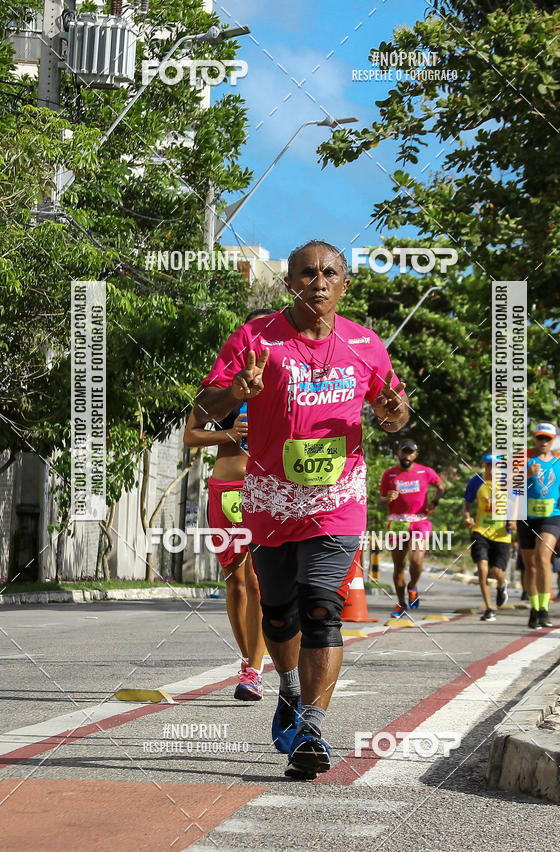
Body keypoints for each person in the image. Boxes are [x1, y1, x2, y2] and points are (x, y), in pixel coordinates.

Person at [194, 239, 408, 779]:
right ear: (289, 283)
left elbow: (395, 412)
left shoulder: (365, 343)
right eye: (307, 273)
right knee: (279, 612)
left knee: (320, 606)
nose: (318, 281)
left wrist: (391, 412)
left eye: (329, 273)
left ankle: (311, 728)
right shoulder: (255, 336)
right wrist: (235, 391)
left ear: (344, 284)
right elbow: (205, 406)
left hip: (337, 498)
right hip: (269, 497)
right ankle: (288, 689)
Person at [183, 310, 273, 701]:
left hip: (269, 490)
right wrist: (228, 431)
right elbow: (190, 435)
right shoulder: (225, 384)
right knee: (235, 581)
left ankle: (255, 669)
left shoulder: (289, 379)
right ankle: (248, 661)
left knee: (259, 582)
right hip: (227, 487)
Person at [518, 423, 560, 629]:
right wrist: (525, 474)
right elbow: (506, 483)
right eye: (539, 438)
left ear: (553, 440)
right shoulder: (524, 456)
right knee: (530, 566)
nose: (543, 442)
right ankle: (534, 609)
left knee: (542, 557)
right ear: (534, 438)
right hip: (525, 516)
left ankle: (544, 608)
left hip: (552, 516)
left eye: (547, 439)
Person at [379, 439, 444, 617]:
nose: (406, 455)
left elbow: (441, 486)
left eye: (410, 452)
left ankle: (413, 585)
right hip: (398, 522)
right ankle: (401, 604)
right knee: (399, 565)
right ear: (398, 452)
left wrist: (434, 502)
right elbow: (381, 499)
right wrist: (387, 498)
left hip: (419, 520)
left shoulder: (425, 471)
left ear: (415, 454)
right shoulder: (389, 474)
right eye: (403, 451)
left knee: (416, 561)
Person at [463, 453, 515, 622]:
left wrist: (513, 521)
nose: (491, 468)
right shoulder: (476, 481)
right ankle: (489, 608)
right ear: (483, 465)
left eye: (495, 465)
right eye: (488, 465)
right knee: (483, 569)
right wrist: (467, 517)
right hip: (481, 531)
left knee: (497, 572)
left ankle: (501, 585)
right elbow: (467, 504)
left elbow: (516, 503)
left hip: (502, 534)